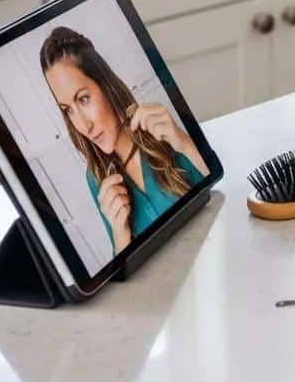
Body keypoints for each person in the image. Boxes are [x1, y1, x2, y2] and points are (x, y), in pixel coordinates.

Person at [40, 26, 209, 254]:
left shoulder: (160, 130)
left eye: (83, 99)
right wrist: (120, 233)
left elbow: (220, 197)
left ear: (105, 85)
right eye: (68, 110)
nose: (83, 125)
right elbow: (124, 272)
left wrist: (185, 143)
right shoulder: (96, 177)